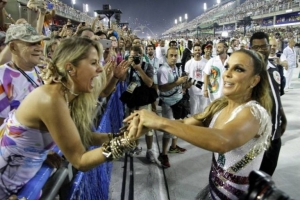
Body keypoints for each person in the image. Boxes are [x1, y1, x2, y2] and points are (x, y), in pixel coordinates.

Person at [125, 49, 273, 199]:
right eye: (227, 67)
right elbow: (183, 123)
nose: (226, 73)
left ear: (254, 80)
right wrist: (143, 127)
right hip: (214, 191)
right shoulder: (220, 106)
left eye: (238, 69)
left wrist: (160, 121)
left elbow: (222, 141)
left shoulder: (254, 113)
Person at [0, 37, 134, 199]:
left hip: (16, 185)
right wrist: (125, 142)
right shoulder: (51, 100)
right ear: (70, 68)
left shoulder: (65, 96)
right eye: (93, 63)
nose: (100, 69)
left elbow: (82, 138)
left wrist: (120, 137)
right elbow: (80, 161)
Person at [250, 32, 287, 176]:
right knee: (251, 177)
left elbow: (277, 96)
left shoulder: (274, 68)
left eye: (264, 46)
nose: (260, 50)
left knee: (267, 175)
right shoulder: (248, 73)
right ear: (251, 49)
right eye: (256, 47)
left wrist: (282, 117)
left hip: (275, 135)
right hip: (256, 138)